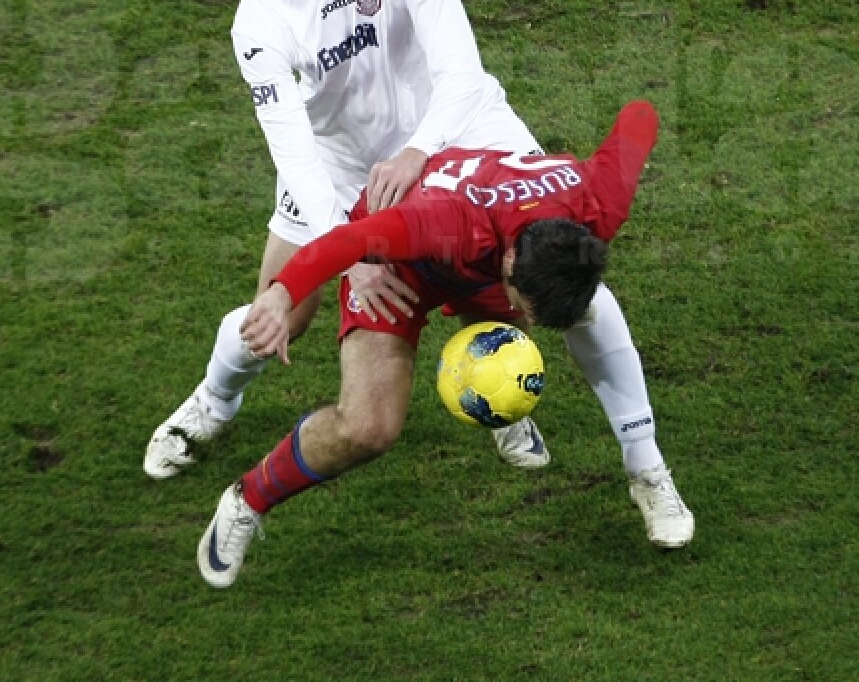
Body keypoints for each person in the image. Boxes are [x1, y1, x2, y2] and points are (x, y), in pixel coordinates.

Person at [144, 0, 552, 477]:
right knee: (279, 310)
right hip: (335, 172)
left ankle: (502, 398)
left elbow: (459, 64)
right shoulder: (259, 23)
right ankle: (212, 404)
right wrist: (350, 253)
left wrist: (419, 149)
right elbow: (295, 153)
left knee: (510, 266)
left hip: (440, 139)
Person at [197, 101, 695, 589]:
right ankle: (247, 499)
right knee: (369, 428)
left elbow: (641, 113)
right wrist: (282, 296)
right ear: (510, 265)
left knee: (596, 308)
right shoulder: (445, 223)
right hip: (399, 266)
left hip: (483, 251)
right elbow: (346, 243)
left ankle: (646, 468)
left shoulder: (599, 202)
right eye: (524, 307)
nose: (527, 320)